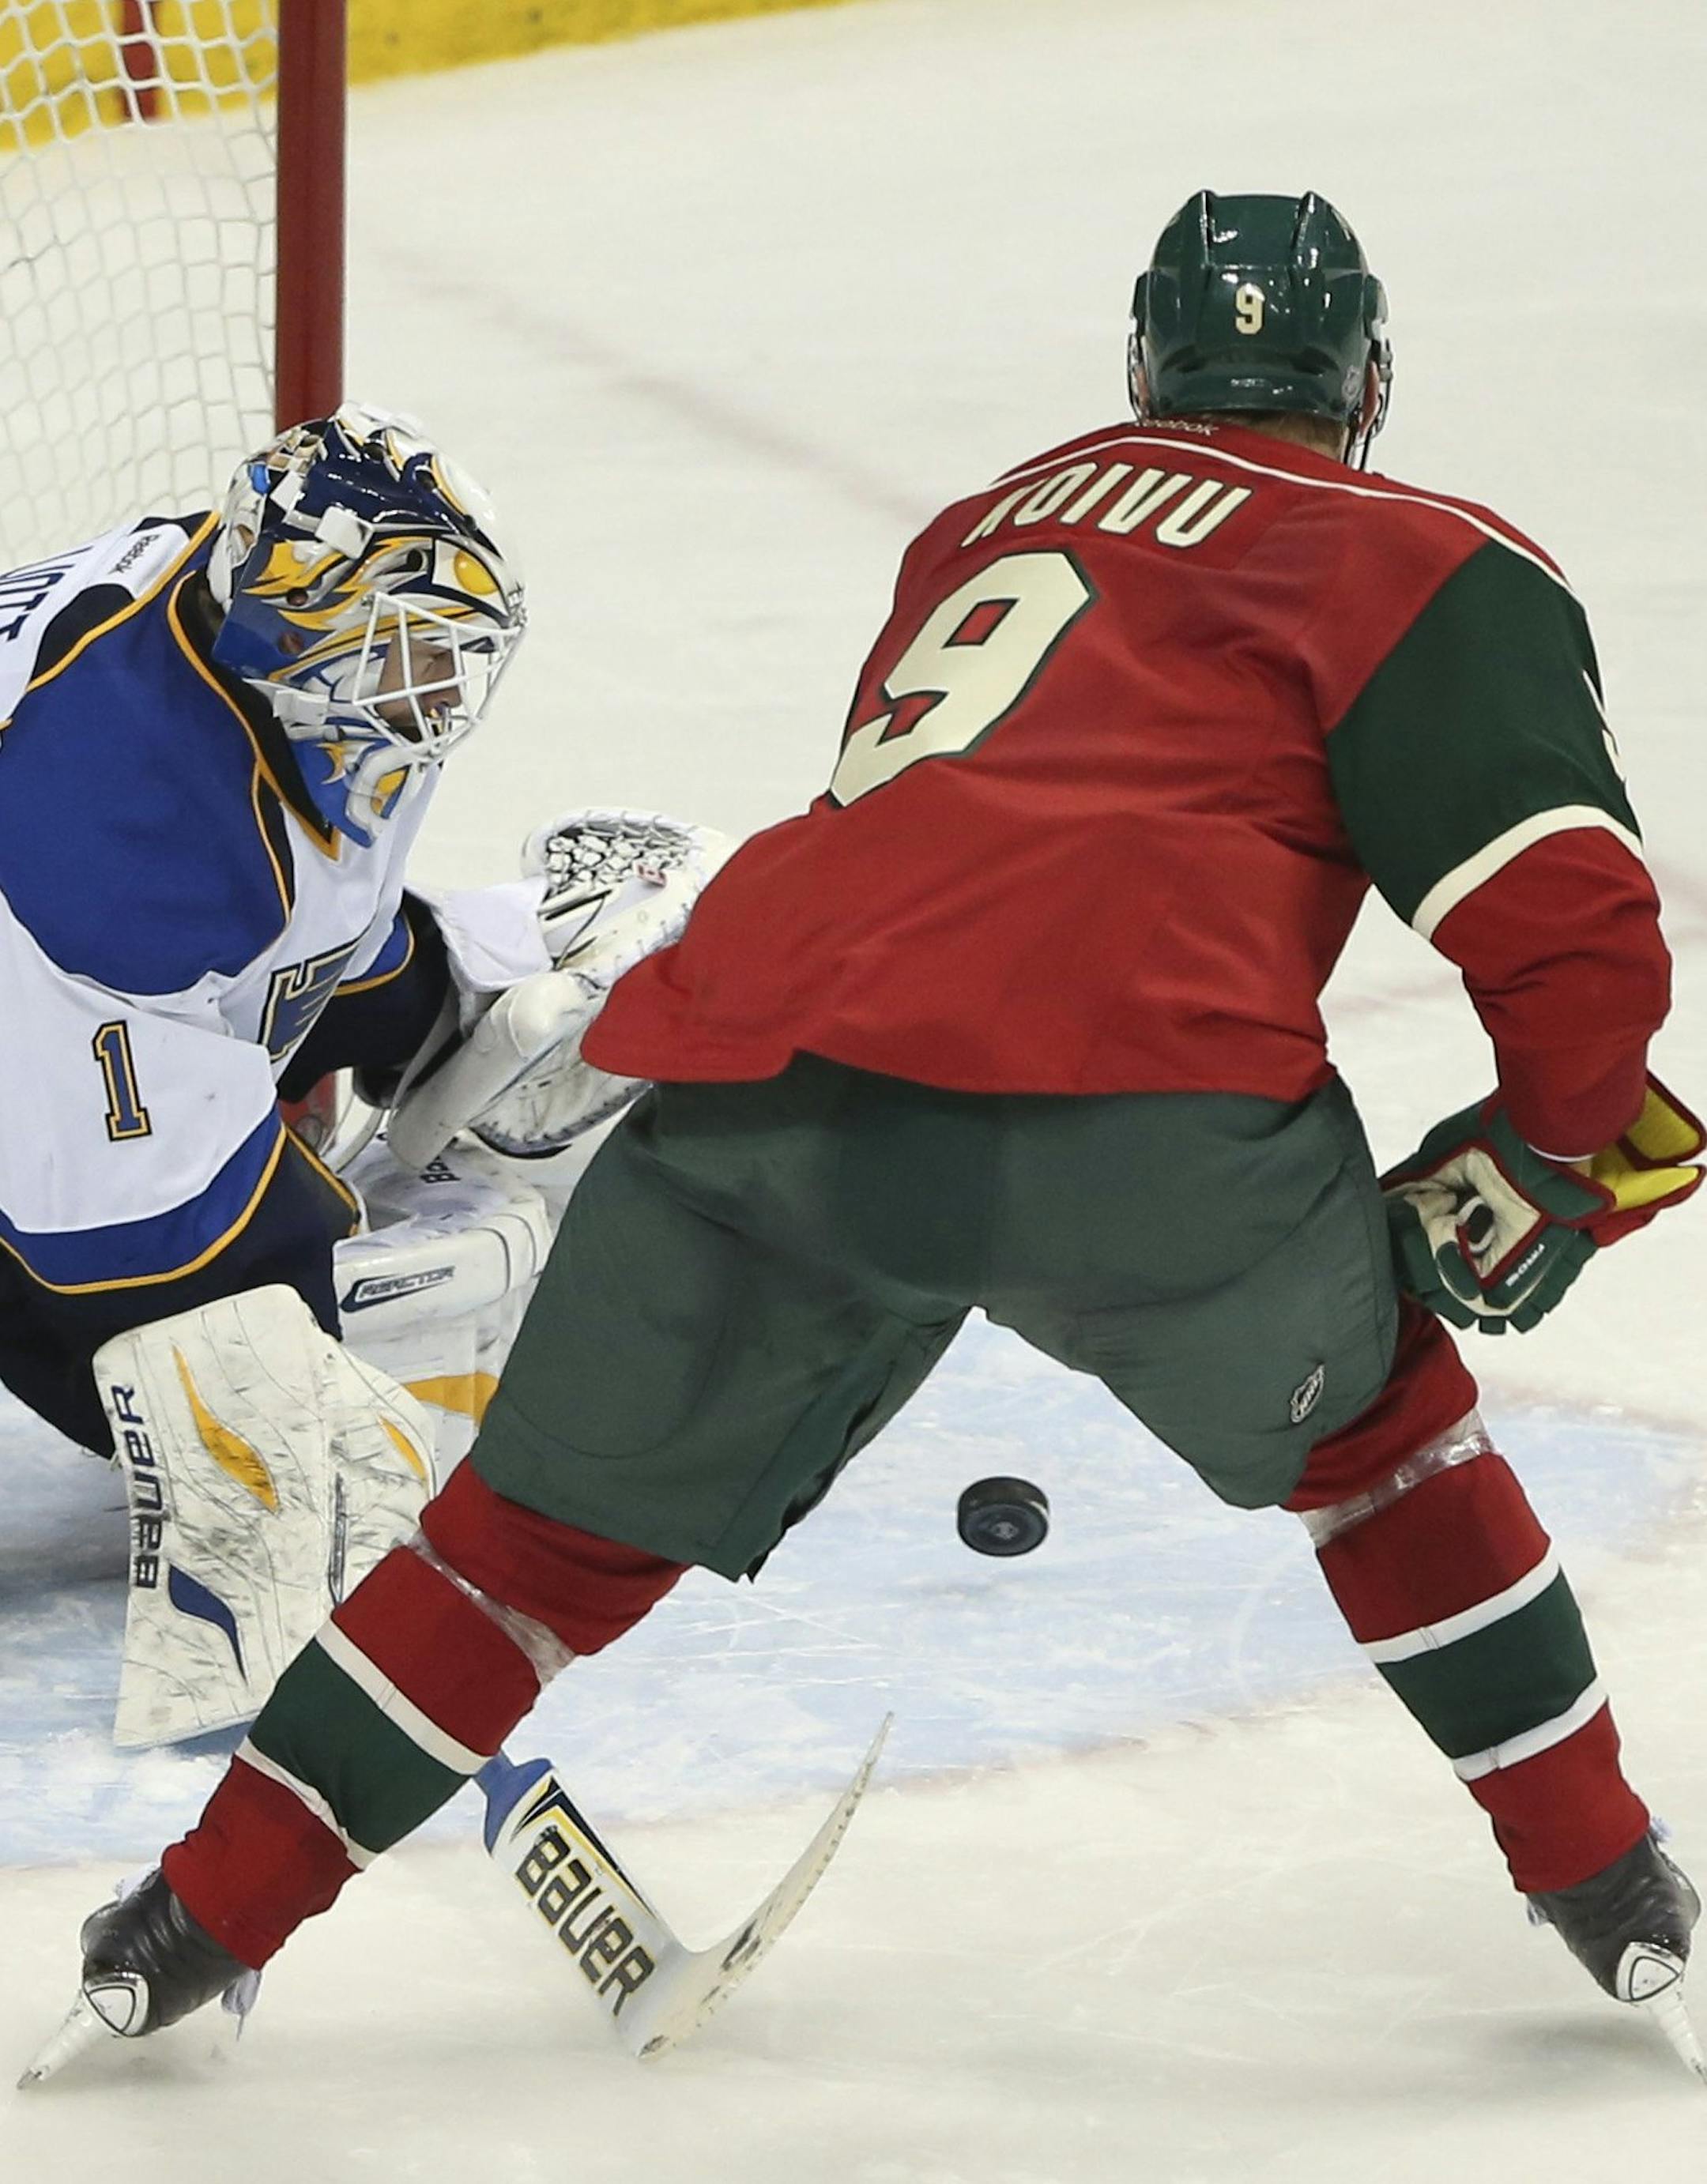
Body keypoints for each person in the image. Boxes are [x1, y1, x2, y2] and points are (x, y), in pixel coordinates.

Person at [46, 193, 1706, 2076]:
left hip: (766, 1078)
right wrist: (1556, 1154)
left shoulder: (987, 522)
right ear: (1369, 383)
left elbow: (943, 851)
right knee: (1384, 1446)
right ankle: (1609, 1884)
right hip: (1141, 1120)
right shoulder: (1424, 555)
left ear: (1144, 366)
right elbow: (1579, 951)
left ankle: (174, 1932)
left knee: (522, 1551)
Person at [0, 402, 722, 1747]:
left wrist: (444, 985)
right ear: (301, 631)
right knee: (279, 1349)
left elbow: (292, 914)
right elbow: (112, 1246)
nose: (441, 692)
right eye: (410, 652)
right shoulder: (118, 839)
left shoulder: (236, 608)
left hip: (79, 937)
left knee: (458, 1015)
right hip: (56, 958)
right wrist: (320, 1304)